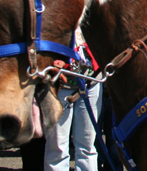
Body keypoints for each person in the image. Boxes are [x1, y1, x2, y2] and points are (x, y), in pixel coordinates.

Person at [44, 29, 103, 171]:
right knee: (57, 146)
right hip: (60, 83)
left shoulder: (89, 14)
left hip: (91, 81)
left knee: (87, 144)